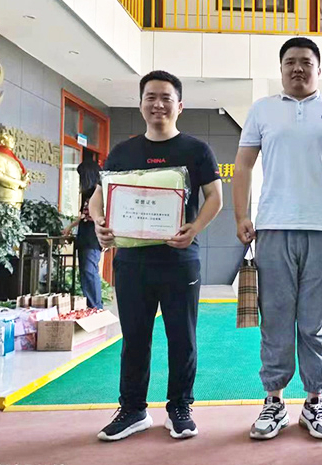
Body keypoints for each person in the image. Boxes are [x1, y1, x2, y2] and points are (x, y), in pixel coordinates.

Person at [232, 37, 322, 440]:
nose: (298, 68)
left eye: (306, 62)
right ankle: (274, 402)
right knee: (275, 319)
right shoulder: (262, 110)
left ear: (318, 69)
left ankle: (315, 401)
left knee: (315, 321)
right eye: (290, 62)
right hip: (273, 228)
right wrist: (241, 215)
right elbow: (243, 166)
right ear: (281, 69)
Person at [89, 71, 223, 442]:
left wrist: (194, 228)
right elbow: (99, 195)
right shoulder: (123, 152)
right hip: (132, 263)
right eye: (151, 97)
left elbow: (215, 197)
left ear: (180, 105)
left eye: (166, 97)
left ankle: (180, 407)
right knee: (134, 338)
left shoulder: (196, 150)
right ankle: (133, 410)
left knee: (182, 338)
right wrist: (99, 222)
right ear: (140, 104)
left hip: (180, 260)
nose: (158, 104)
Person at [63, 158, 103, 309]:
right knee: (86, 272)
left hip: (92, 236)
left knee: (89, 271)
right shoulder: (88, 194)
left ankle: (96, 307)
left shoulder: (99, 192)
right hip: (84, 234)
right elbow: (83, 216)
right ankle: (92, 306)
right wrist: (70, 227)